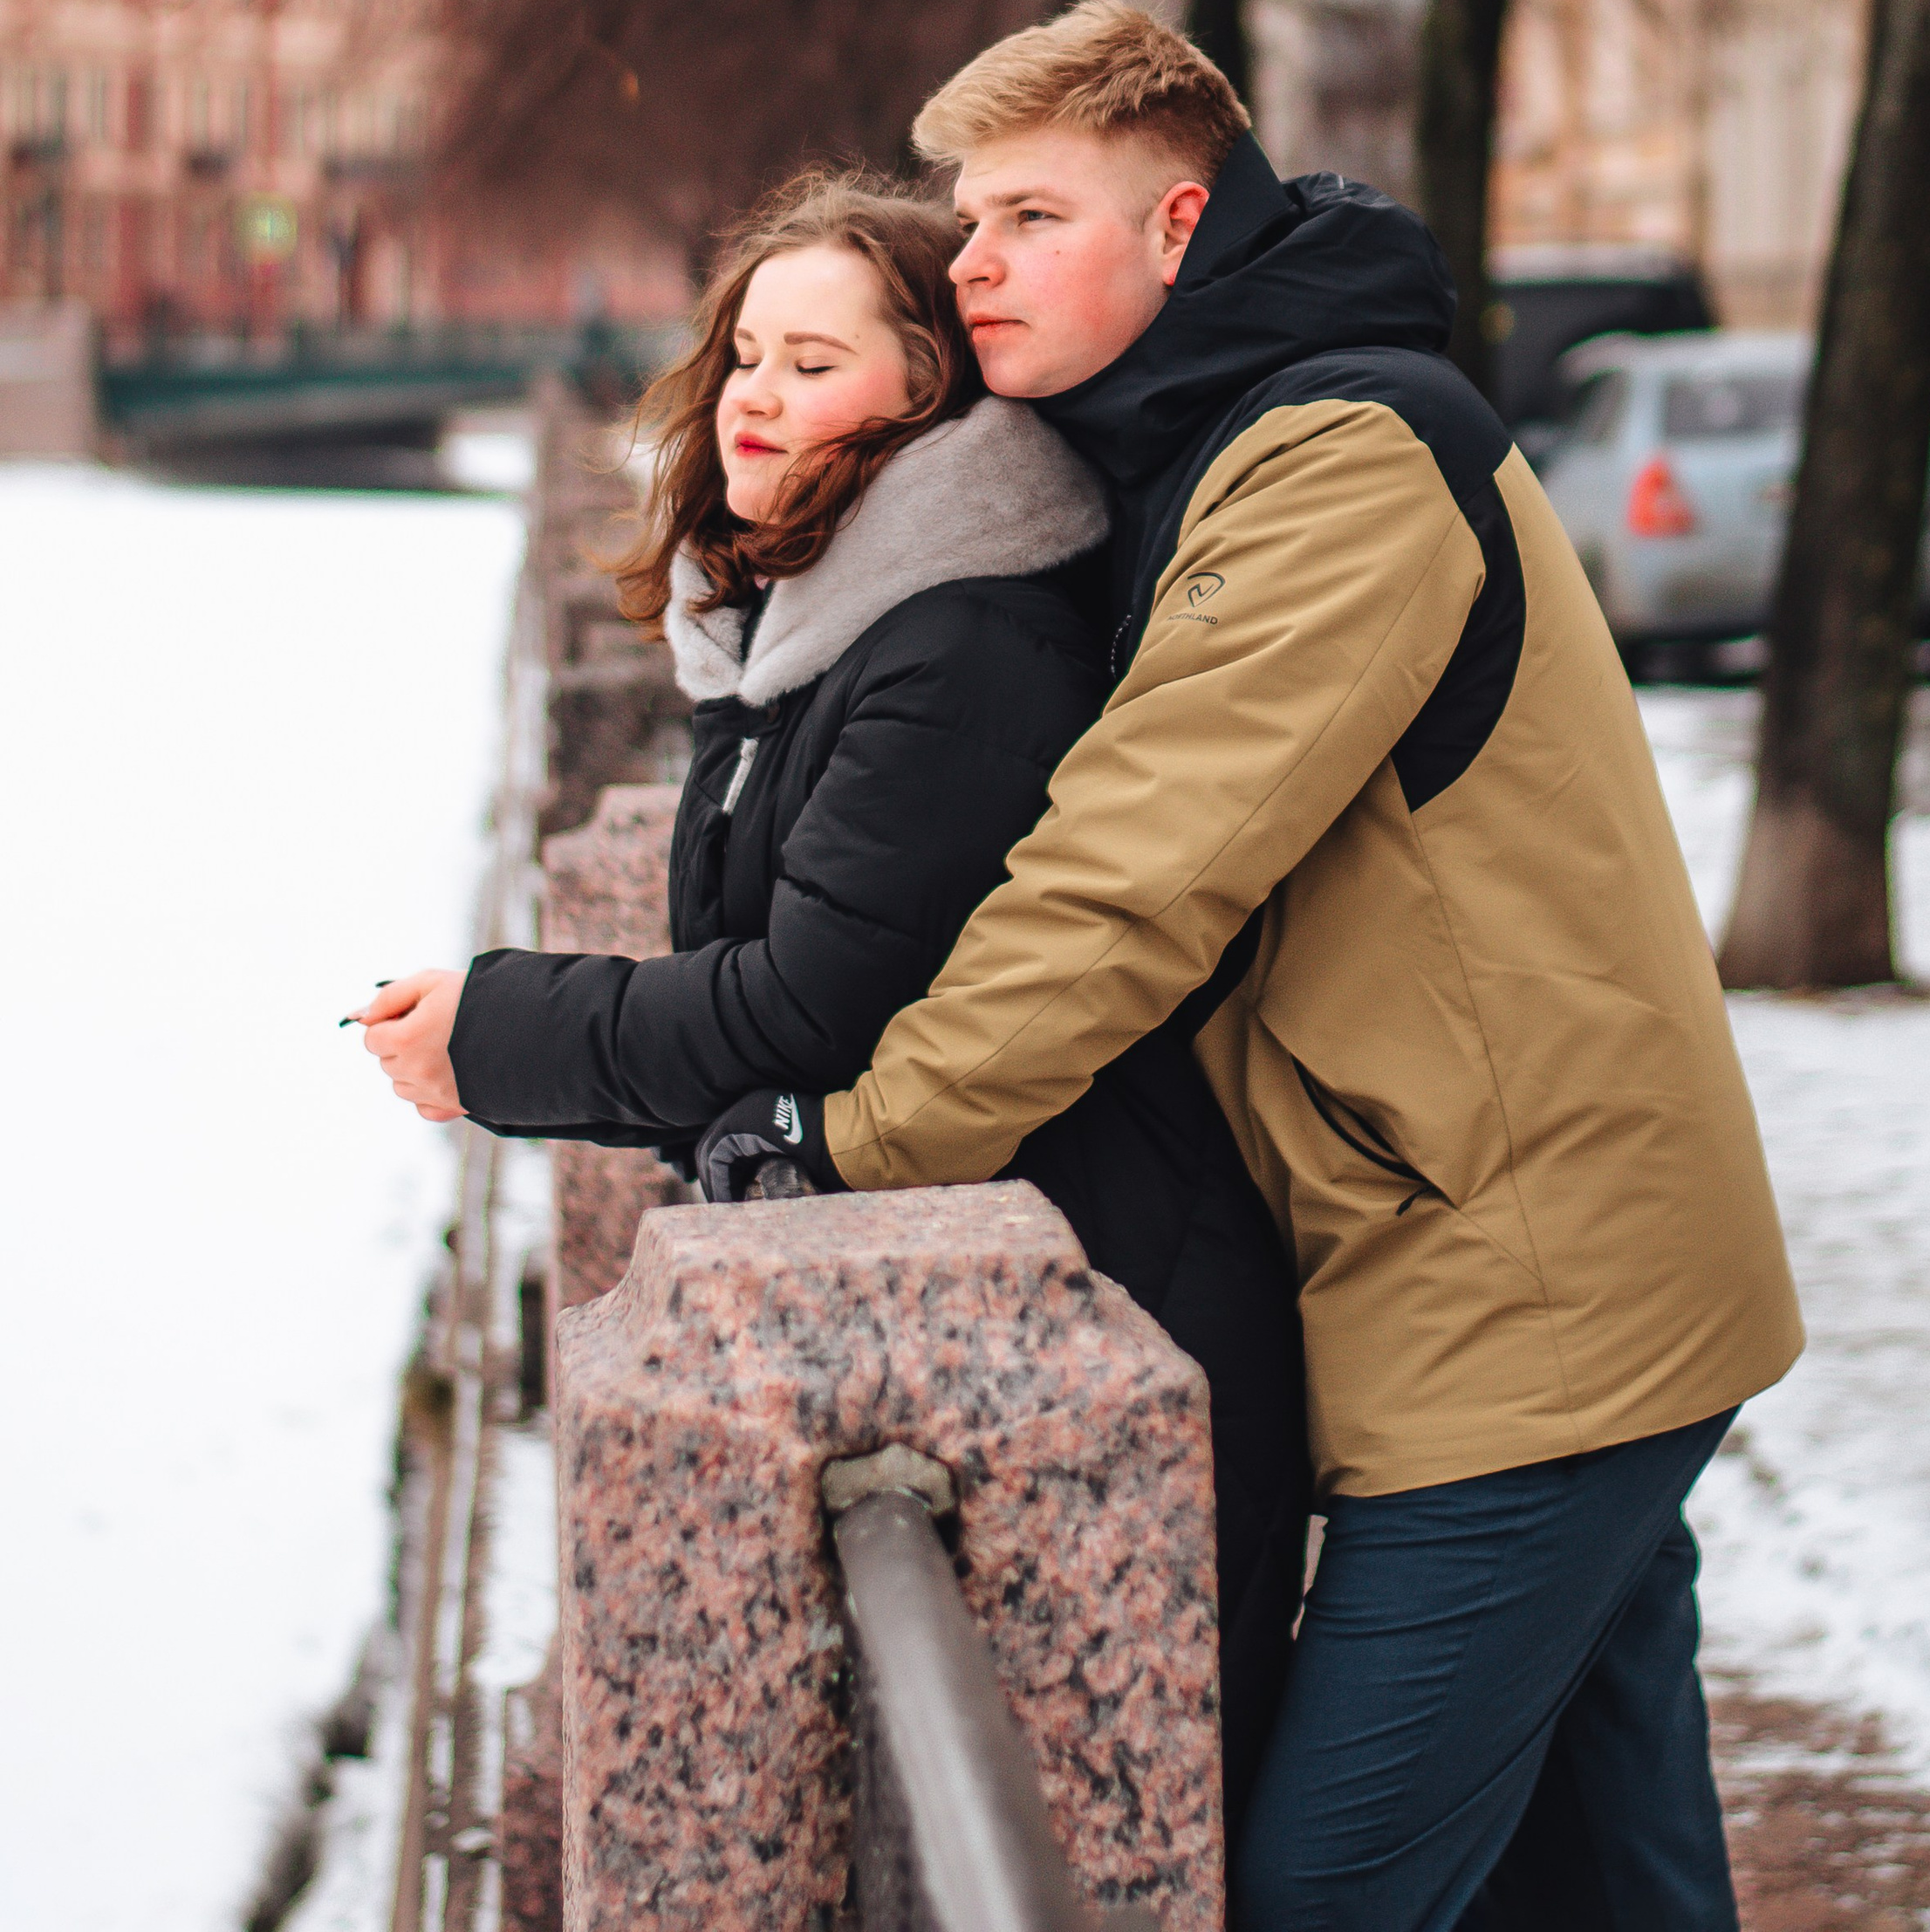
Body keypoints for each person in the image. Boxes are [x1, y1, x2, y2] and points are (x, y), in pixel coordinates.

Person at [704, 9, 1805, 1932]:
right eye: (967, 222)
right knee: (1607, 1877)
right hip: (1508, 1260)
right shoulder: (1197, 447)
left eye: (1031, 216)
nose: (971, 264)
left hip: (1519, 1298)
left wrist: (848, 1136)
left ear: (1178, 229)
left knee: (1319, 1897)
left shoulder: (1333, 461)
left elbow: (1128, 878)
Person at [351, 170, 1311, 1823]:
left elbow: (809, 1005)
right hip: (987, 1319)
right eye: (744, 356)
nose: (757, 396)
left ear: (925, 396)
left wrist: (498, 1035)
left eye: (814, 363)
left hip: (1101, 1325)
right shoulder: (804, 627)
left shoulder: (965, 641)